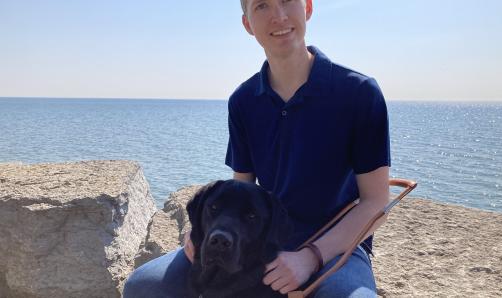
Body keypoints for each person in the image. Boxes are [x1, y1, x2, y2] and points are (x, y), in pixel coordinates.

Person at [124, 0, 390, 297]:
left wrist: (310, 256)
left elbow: (376, 203)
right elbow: (241, 191)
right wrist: (202, 232)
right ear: (248, 24)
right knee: (143, 286)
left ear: (308, 8)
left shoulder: (359, 93)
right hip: (260, 240)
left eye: (287, 1)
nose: (278, 16)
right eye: (261, 5)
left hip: (338, 244)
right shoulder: (244, 100)